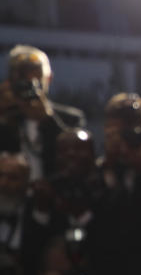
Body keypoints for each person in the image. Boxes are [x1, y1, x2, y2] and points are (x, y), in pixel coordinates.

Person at [0, 46, 85, 180]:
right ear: (9, 82)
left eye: (36, 77)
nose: (29, 85)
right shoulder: (5, 115)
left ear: (49, 78)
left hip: (54, 195)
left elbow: (76, 158)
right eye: (22, 78)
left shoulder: (70, 118)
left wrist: (48, 119)